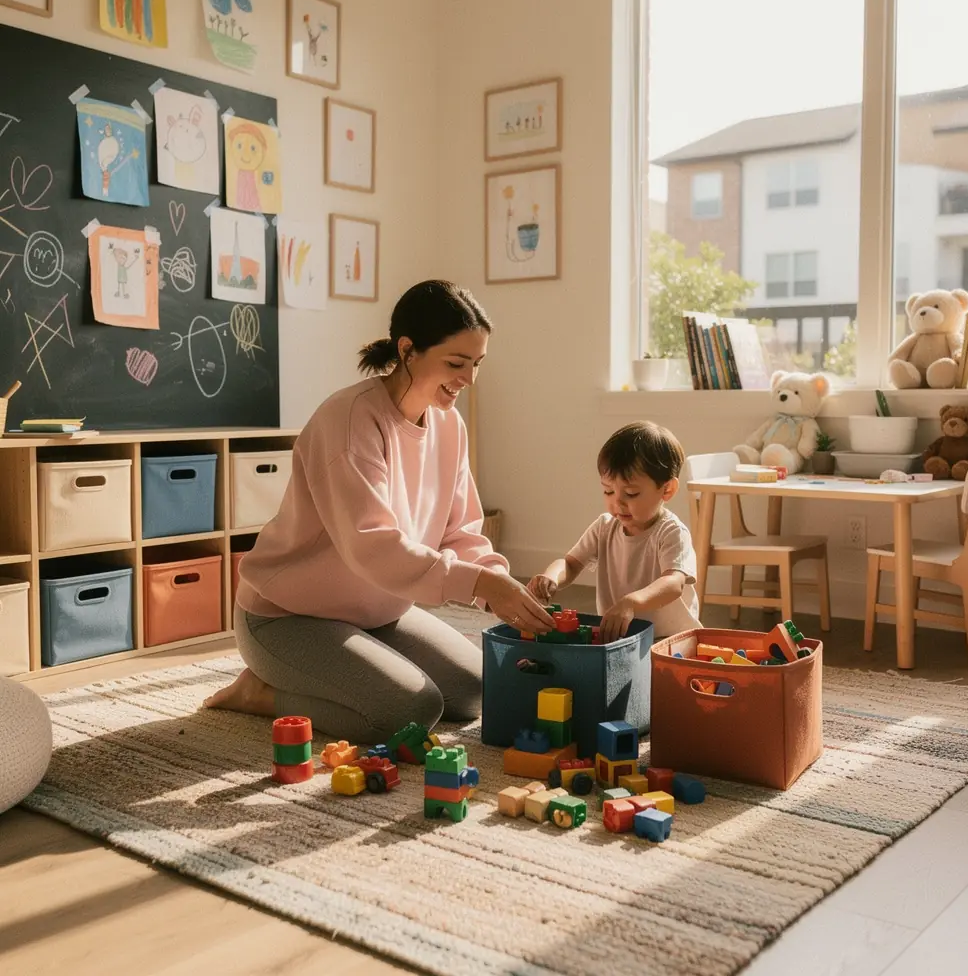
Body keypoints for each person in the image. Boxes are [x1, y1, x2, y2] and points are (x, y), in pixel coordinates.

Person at [204, 279, 551, 740]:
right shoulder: (349, 420)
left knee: (474, 690)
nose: (469, 379)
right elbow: (372, 547)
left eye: (477, 364)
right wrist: (476, 582)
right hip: (286, 618)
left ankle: (356, 667)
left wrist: (499, 588)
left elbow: (461, 529)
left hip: (376, 612)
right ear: (408, 350)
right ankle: (259, 693)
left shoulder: (449, 425)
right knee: (408, 710)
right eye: (456, 363)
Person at [528, 421, 701, 641]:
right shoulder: (604, 527)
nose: (617, 503)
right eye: (608, 491)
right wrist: (550, 577)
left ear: (667, 489)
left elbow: (673, 583)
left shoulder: (671, 532)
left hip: (669, 639)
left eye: (631, 493)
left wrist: (631, 603)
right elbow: (571, 564)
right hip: (621, 635)